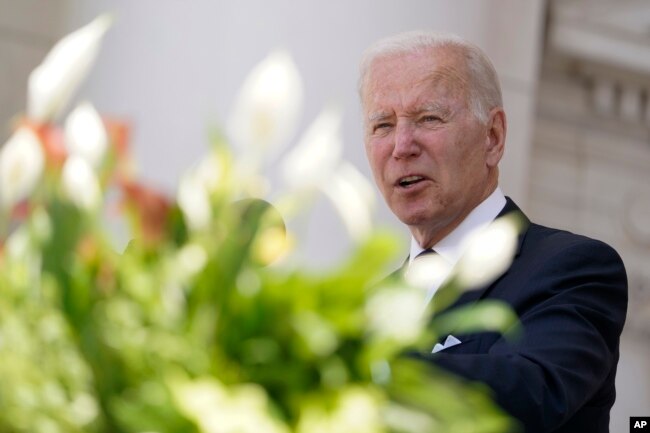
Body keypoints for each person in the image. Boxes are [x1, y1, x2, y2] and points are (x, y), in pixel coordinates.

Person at [358, 31, 627, 433]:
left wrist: (363, 368)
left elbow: (534, 392)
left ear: (493, 137)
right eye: (382, 124)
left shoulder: (573, 269)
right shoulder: (363, 310)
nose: (401, 146)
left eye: (428, 118)